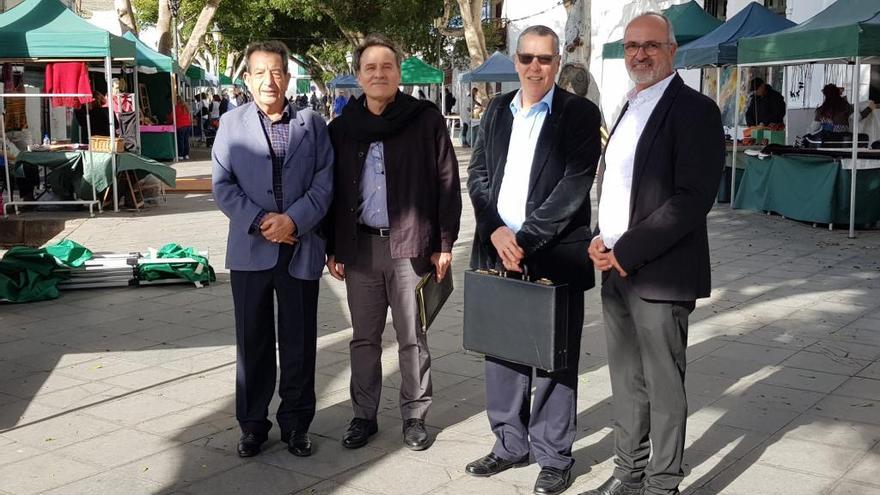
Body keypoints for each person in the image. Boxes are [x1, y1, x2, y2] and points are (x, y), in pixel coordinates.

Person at [581, 12, 724, 495]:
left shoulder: (696, 110)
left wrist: (628, 249)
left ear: (672, 49)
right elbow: (619, 187)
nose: (640, 54)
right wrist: (601, 240)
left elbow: (691, 197)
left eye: (650, 45)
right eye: (631, 46)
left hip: (661, 272)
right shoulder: (627, 105)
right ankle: (628, 471)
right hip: (615, 268)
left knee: (663, 385)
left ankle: (662, 483)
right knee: (625, 380)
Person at [464, 25, 602, 495]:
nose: (535, 67)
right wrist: (495, 229)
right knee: (501, 350)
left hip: (554, 254)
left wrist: (525, 238)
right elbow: (478, 173)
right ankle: (508, 444)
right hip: (496, 246)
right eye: (526, 58)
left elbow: (574, 185)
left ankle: (553, 455)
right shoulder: (498, 110)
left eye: (544, 58)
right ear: (515, 60)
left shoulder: (580, 114)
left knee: (554, 358)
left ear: (558, 61)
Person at [325, 34, 461, 452]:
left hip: (411, 246)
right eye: (371, 67)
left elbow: (446, 182)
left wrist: (444, 243)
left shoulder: (424, 119)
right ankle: (363, 416)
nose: (379, 74)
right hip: (360, 247)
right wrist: (333, 247)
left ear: (399, 73)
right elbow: (332, 191)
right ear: (358, 75)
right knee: (363, 338)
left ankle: (415, 416)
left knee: (411, 336)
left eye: (387, 66)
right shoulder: (342, 128)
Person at [212, 40, 334, 460]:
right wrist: (263, 222)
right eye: (260, 72)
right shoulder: (230, 125)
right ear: (246, 78)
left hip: (300, 246)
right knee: (252, 341)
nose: (270, 80)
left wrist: (293, 221)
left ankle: (297, 424)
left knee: (299, 342)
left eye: (277, 71)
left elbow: (325, 182)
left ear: (288, 76)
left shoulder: (312, 123)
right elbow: (222, 184)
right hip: (250, 249)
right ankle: (252, 425)